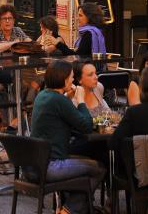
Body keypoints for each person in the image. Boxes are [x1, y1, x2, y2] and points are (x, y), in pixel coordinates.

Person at [31, 60, 106, 214]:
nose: (73, 80)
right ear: (64, 79)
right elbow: (85, 126)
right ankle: (70, 209)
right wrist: (80, 100)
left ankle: (74, 208)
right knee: (99, 168)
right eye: (71, 77)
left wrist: (67, 97)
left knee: (84, 171)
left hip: (35, 163)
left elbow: (64, 117)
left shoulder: (43, 95)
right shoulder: (58, 100)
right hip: (52, 165)